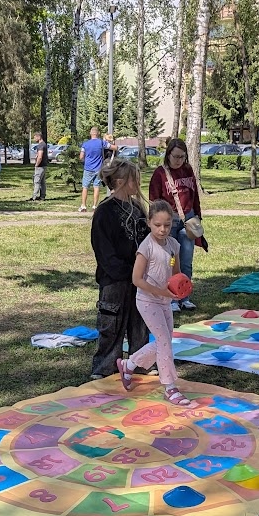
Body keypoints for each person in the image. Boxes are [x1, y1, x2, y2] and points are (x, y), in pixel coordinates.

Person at [116, 200, 194, 408]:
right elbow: (137, 279)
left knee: (164, 340)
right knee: (164, 342)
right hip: (147, 300)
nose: (163, 229)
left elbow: (175, 274)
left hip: (165, 301)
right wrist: (160, 291)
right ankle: (170, 387)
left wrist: (181, 287)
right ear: (149, 222)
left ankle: (128, 364)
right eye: (158, 224)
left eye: (167, 225)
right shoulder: (146, 248)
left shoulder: (173, 245)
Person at [89, 157, 150, 379]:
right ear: (122, 181)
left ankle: (139, 365)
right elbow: (104, 251)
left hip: (140, 280)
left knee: (140, 324)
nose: (138, 183)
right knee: (111, 326)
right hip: (114, 281)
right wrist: (125, 272)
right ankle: (105, 369)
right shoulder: (105, 212)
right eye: (135, 179)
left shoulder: (138, 209)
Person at [148, 138, 206, 312]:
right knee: (170, 261)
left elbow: (194, 194)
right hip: (169, 220)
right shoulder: (160, 174)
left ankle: (184, 297)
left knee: (186, 260)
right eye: (176, 157)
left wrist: (197, 215)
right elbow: (154, 200)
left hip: (188, 219)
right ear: (168, 155)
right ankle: (171, 298)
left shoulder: (187, 170)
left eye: (182, 157)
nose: (179, 160)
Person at [80, 127, 107, 212]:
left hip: (88, 168)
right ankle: (95, 206)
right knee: (96, 187)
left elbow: (81, 157)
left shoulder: (85, 144)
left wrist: (84, 161)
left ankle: (83, 206)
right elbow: (112, 147)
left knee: (85, 187)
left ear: (90, 133)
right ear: (98, 133)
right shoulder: (101, 143)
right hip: (98, 169)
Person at [31, 131, 49, 201]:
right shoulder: (44, 144)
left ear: (39, 137)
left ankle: (34, 197)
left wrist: (36, 165)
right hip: (44, 165)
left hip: (40, 166)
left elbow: (40, 156)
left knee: (37, 181)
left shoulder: (40, 145)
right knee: (42, 182)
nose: (34, 138)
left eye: (35, 137)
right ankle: (42, 196)